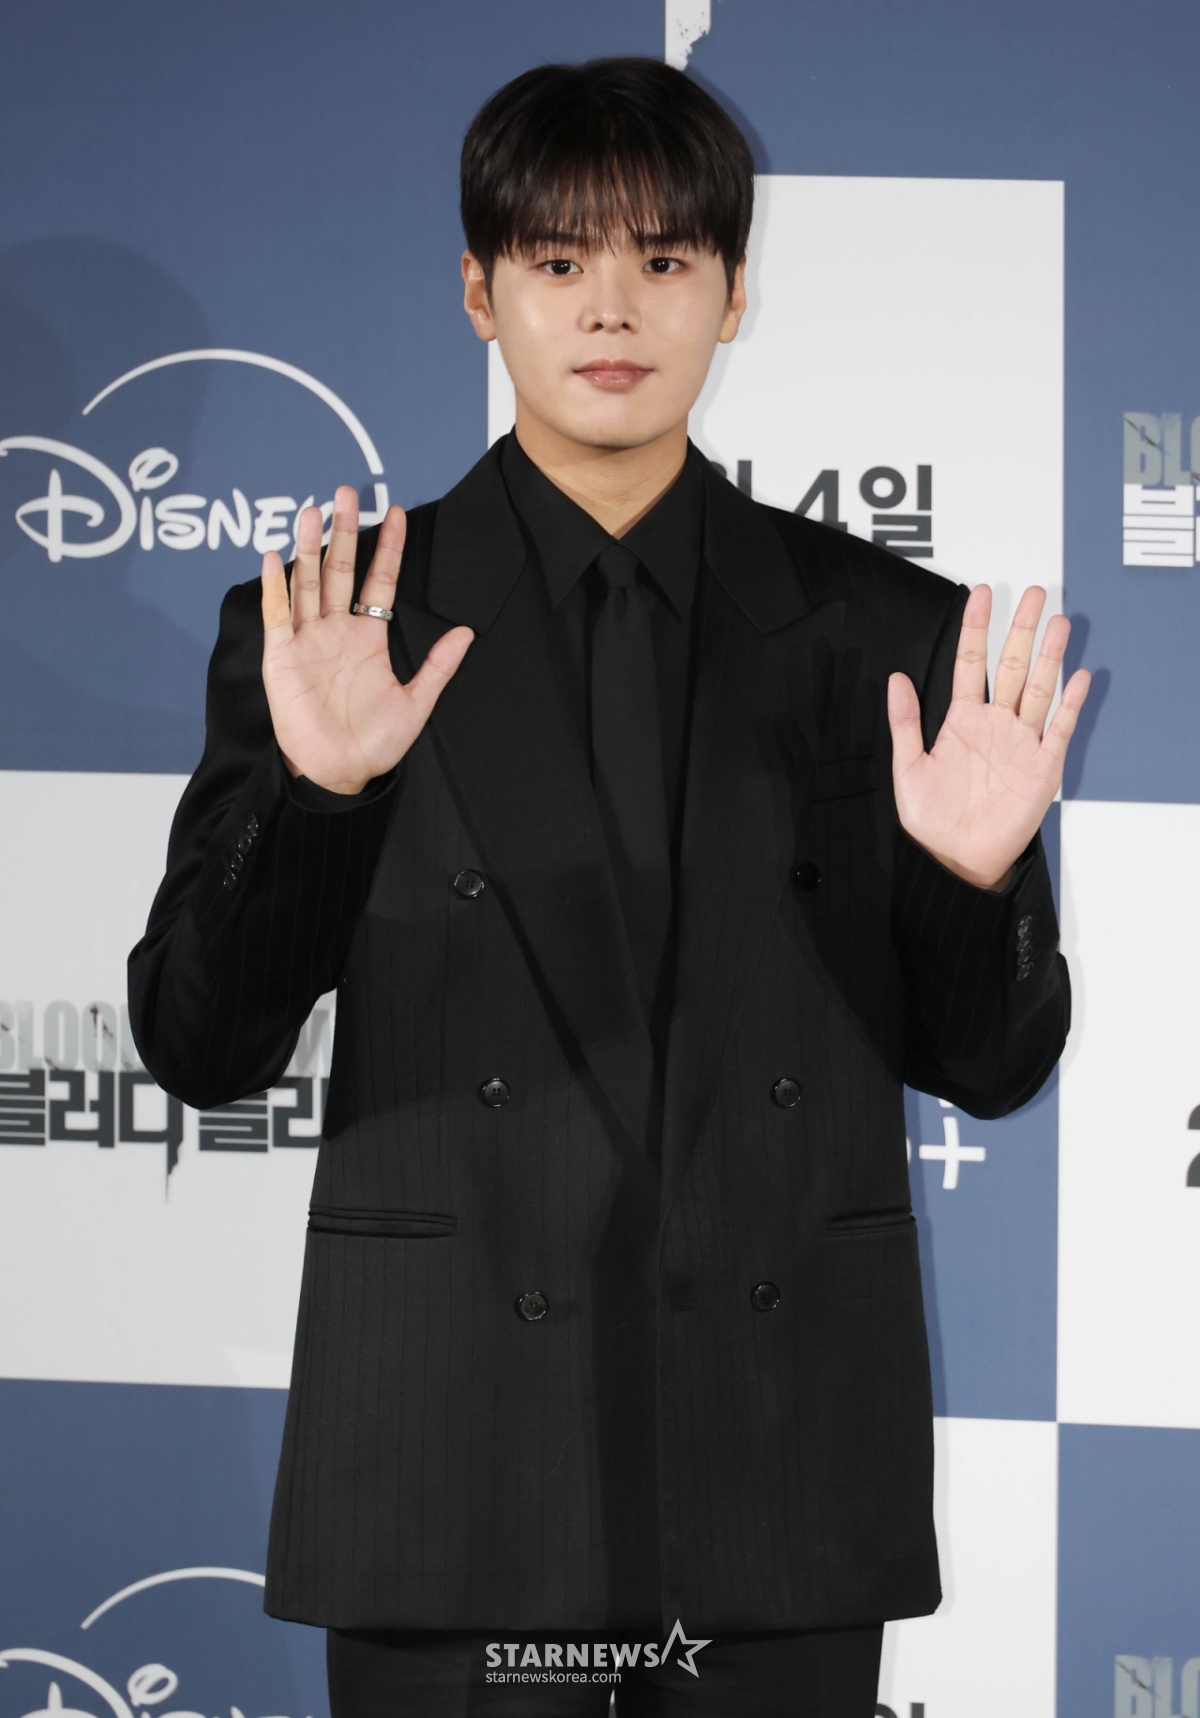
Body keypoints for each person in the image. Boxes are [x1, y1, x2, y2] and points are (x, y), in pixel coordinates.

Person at [127, 56, 1089, 1718]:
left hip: (778, 1468)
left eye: (664, 258)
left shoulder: (886, 633)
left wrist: (968, 872)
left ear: (734, 293)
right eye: (560, 260)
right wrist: (320, 790)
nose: (612, 307)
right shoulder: (341, 623)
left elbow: (992, 1066)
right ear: (479, 292)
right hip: (451, 1466)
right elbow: (199, 1043)